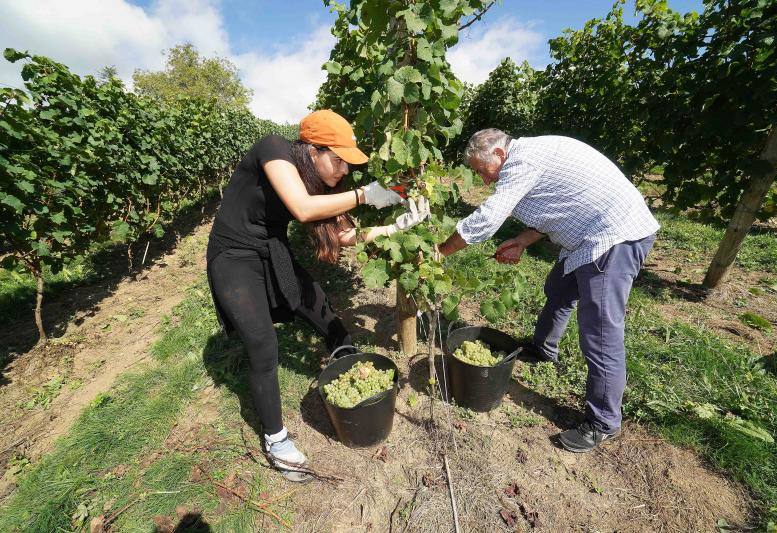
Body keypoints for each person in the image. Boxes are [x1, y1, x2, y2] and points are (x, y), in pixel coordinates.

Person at [206, 109, 429, 481]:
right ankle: (276, 440)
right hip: (233, 254)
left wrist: (398, 224)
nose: (344, 172)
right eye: (340, 161)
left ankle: (347, 363)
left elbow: (344, 237)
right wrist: (364, 195)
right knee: (262, 344)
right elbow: (301, 208)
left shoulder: (321, 182)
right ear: (314, 151)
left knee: (320, 308)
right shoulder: (273, 148)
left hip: (270, 246)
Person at [437, 128, 659, 453]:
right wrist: (523, 240)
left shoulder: (521, 162)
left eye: (482, 172)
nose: (484, 182)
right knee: (558, 289)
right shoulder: (531, 155)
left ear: (498, 155)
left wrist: (440, 252)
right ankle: (543, 349)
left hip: (613, 238)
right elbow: (560, 203)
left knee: (600, 334)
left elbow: (489, 216)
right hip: (586, 233)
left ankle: (603, 423)